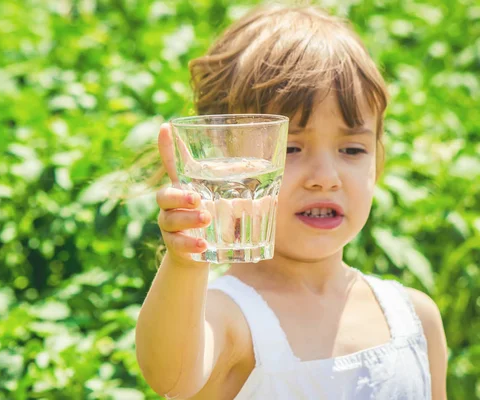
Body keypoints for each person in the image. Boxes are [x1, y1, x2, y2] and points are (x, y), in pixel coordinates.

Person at [135, 4, 448, 399]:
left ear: (378, 161)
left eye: (352, 149)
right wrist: (187, 261)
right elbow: (172, 376)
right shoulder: (230, 318)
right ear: (221, 163)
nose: (325, 178)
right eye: (291, 148)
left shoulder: (415, 318)